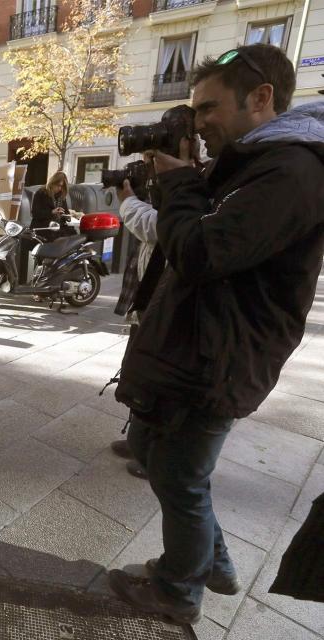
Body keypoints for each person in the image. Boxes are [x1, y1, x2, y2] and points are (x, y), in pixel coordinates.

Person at [108, 44, 324, 624]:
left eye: (208, 109)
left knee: (180, 474)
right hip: (199, 350)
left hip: (221, 359)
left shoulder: (292, 171)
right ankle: (215, 562)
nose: (199, 123)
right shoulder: (254, 163)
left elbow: (203, 251)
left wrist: (181, 185)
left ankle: (180, 590)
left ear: (261, 98)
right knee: (158, 454)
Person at [109, 179, 157, 481]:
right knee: (136, 373)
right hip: (147, 304)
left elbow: (154, 226)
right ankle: (139, 439)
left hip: (161, 306)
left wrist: (128, 200)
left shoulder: (188, 185)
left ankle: (151, 450)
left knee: (152, 377)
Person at [29, 171, 76, 239]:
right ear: (52, 183)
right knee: (55, 236)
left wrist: (66, 216)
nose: (60, 188)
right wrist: (52, 212)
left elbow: (66, 212)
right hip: (43, 227)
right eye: (58, 185)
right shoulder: (41, 193)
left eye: (62, 186)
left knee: (74, 234)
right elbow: (35, 214)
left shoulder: (61, 196)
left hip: (57, 226)